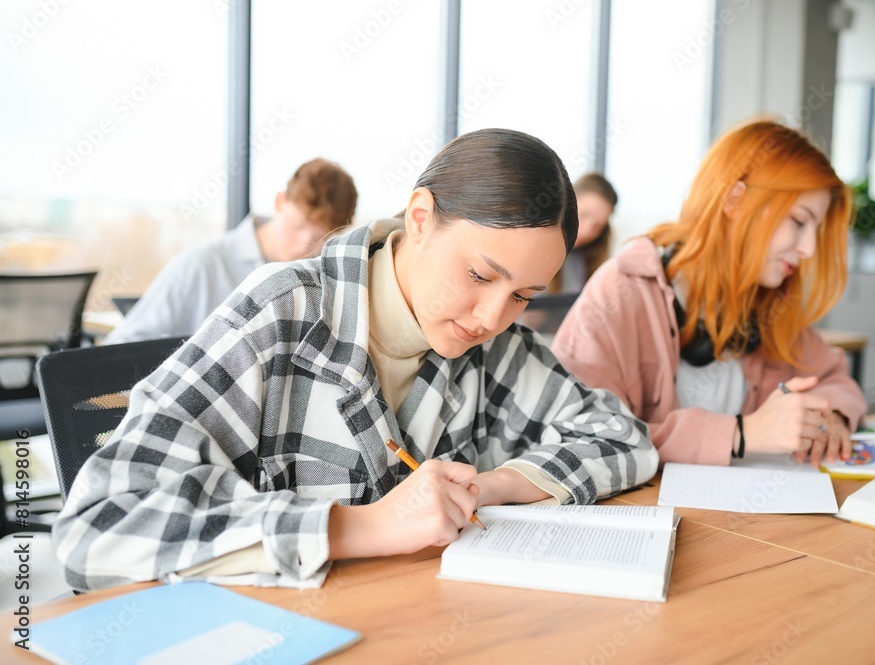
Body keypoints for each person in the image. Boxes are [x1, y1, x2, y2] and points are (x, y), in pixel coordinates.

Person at [53, 129, 658, 591]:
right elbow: (99, 524)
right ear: (420, 218)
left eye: (522, 296)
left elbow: (622, 437)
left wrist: (492, 485)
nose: (492, 318)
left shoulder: (492, 344)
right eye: (479, 275)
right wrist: (367, 527)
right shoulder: (280, 312)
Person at [552, 120, 867, 469]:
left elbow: (836, 379)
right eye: (798, 221)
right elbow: (579, 435)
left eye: (816, 230)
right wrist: (738, 434)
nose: (808, 248)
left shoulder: (767, 301)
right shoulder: (622, 289)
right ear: (734, 201)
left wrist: (830, 415)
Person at [103, 158, 358, 344]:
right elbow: (120, 347)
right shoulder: (201, 265)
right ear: (280, 202)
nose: (304, 245)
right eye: (297, 226)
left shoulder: (323, 282)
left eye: (318, 239)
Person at [547, 172, 618, 295]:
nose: (586, 232)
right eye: (583, 215)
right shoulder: (532, 249)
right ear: (565, 202)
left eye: (597, 227)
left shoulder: (582, 260)